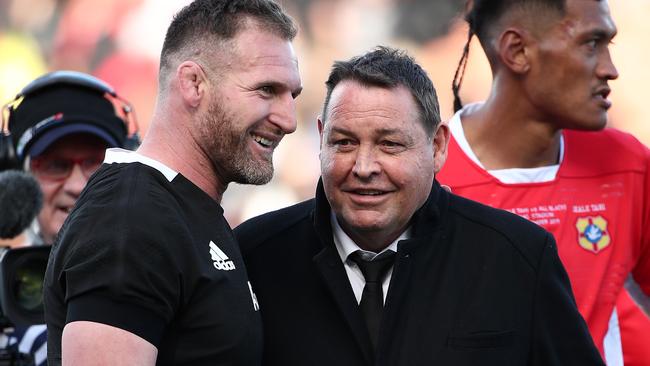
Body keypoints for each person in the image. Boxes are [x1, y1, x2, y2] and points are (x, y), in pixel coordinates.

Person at [234, 46, 603, 366]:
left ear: (438, 146)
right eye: (344, 143)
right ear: (320, 139)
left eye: (390, 144)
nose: (364, 167)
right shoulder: (254, 256)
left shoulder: (517, 258)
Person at [43, 0, 302, 365]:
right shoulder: (132, 220)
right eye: (266, 90)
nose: (288, 119)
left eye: (293, 95)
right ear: (194, 83)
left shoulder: (179, 210)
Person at [437, 0, 650, 365]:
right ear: (517, 51)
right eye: (590, 43)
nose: (610, 70)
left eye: (608, 45)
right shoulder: (428, 180)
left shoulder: (626, 166)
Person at [0, 70, 133, 366]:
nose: (76, 186)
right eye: (56, 165)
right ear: (19, 180)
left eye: (95, 163)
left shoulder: (170, 267)